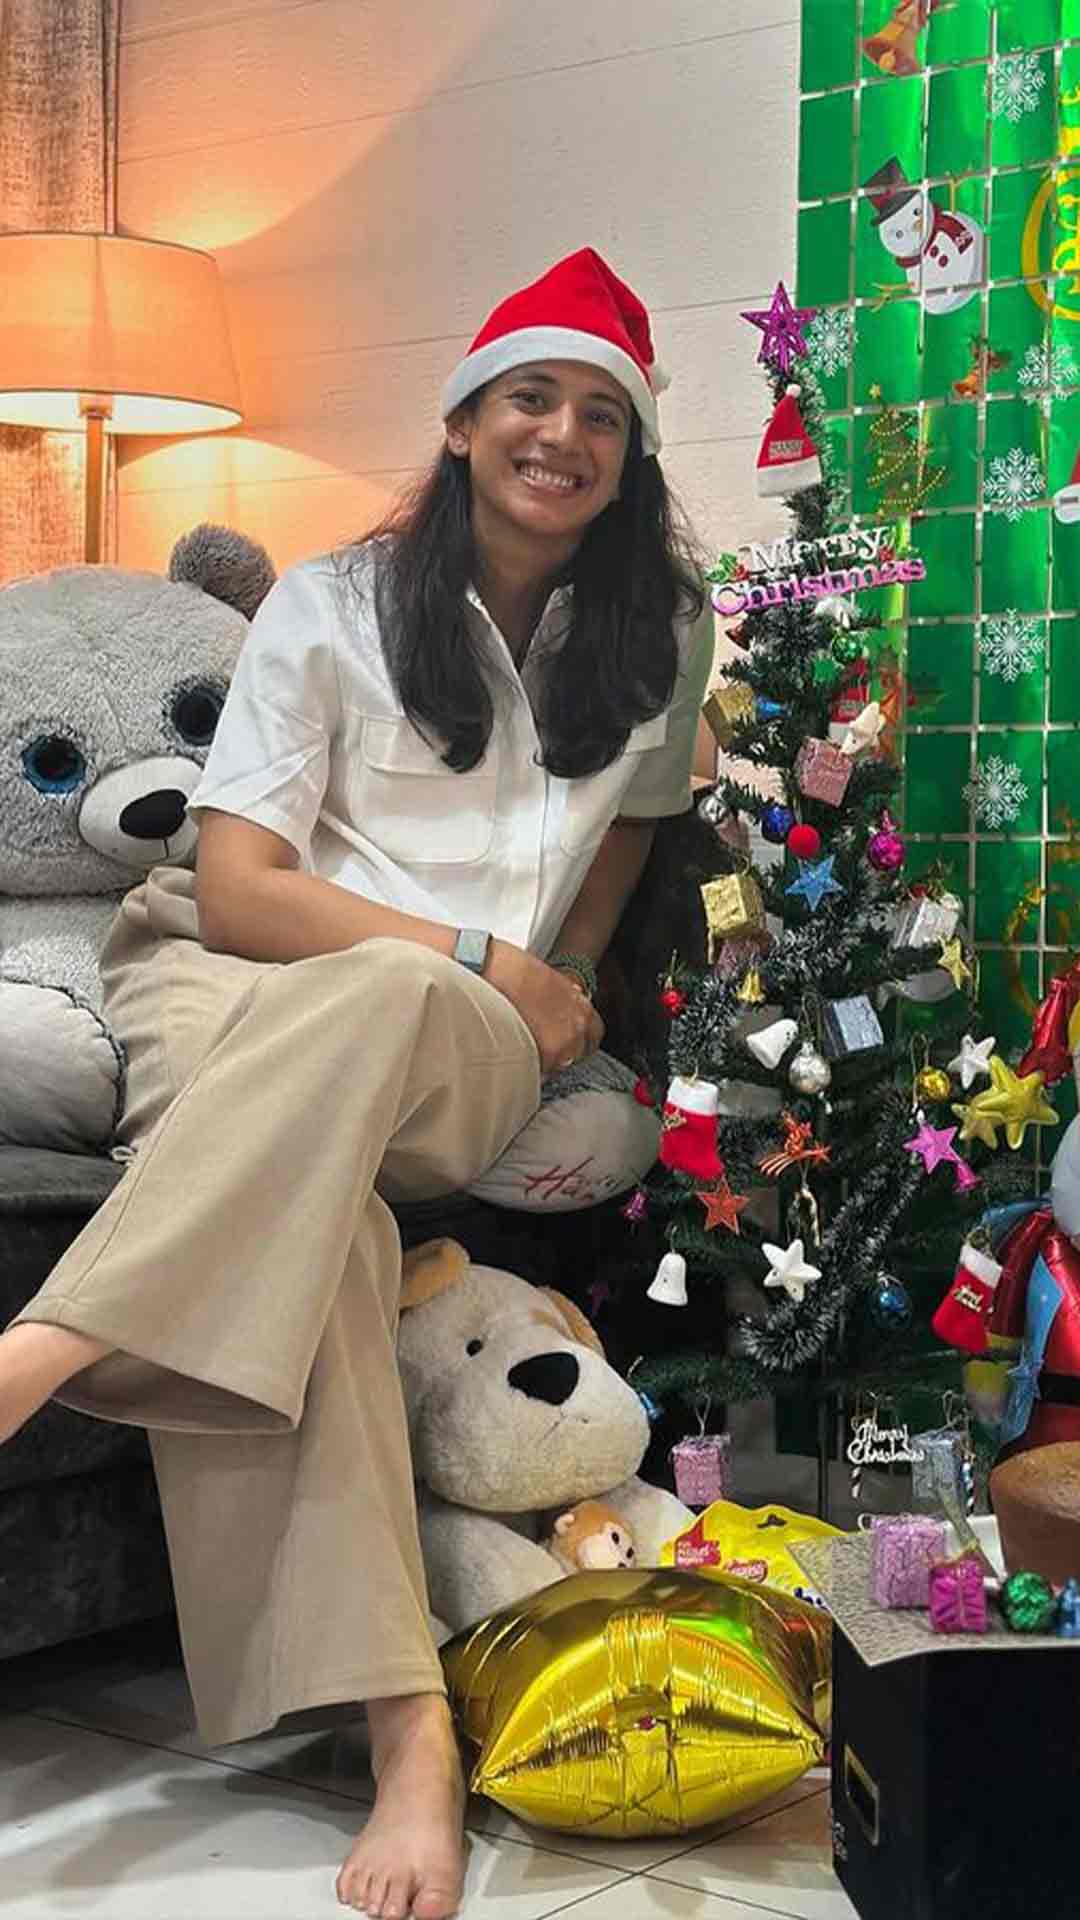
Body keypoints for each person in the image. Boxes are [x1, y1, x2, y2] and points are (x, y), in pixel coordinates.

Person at [0, 246, 711, 1919]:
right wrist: (471, 955)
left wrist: (544, 987)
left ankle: (51, 1345)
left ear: (630, 455)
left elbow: (619, 855)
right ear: (462, 421)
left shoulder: (663, 634)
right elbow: (240, 892)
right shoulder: (332, 601)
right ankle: (411, 1740)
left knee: (392, 1000)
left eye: (601, 413)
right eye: (530, 397)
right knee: (317, 1223)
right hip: (230, 976)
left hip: (458, 1026)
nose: (563, 435)